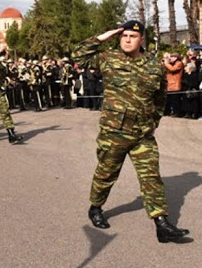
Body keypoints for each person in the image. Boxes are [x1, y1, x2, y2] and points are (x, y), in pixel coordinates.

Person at [72, 20, 191, 244]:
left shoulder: (154, 66)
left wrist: (153, 122)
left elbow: (160, 98)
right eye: (124, 36)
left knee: (151, 178)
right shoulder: (109, 59)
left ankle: (161, 223)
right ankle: (95, 207)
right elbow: (78, 55)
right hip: (114, 132)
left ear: (141, 39)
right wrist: (104, 36)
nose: (127, 39)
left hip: (142, 134)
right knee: (106, 174)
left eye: (132, 36)